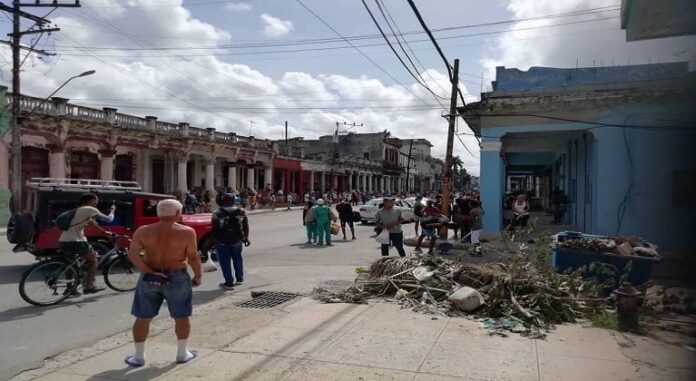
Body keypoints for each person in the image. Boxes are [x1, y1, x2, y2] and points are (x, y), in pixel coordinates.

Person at [125, 199, 202, 367]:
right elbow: (193, 256)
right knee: (181, 315)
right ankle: (182, 353)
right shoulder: (187, 231)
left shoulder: (143, 231)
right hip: (177, 276)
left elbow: (133, 254)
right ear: (177, 213)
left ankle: (138, 357)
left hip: (151, 276)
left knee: (143, 317)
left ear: (158, 213)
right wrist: (198, 275)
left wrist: (148, 271)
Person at [58, 193, 116, 294]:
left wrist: (105, 232)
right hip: (76, 241)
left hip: (64, 240)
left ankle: (70, 288)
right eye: (95, 202)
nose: (96, 204)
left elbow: (93, 223)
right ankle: (89, 286)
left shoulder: (79, 210)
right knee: (93, 260)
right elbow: (109, 219)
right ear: (89, 201)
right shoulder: (89, 209)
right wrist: (112, 211)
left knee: (70, 264)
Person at [211, 193, 250, 290]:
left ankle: (229, 283)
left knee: (225, 262)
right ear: (234, 201)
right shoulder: (241, 211)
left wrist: (213, 242)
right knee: (237, 259)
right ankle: (239, 279)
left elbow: (214, 229)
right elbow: (245, 226)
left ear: (223, 201)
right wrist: (246, 238)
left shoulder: (217, 213)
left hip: (222, 241)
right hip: (237, 240)